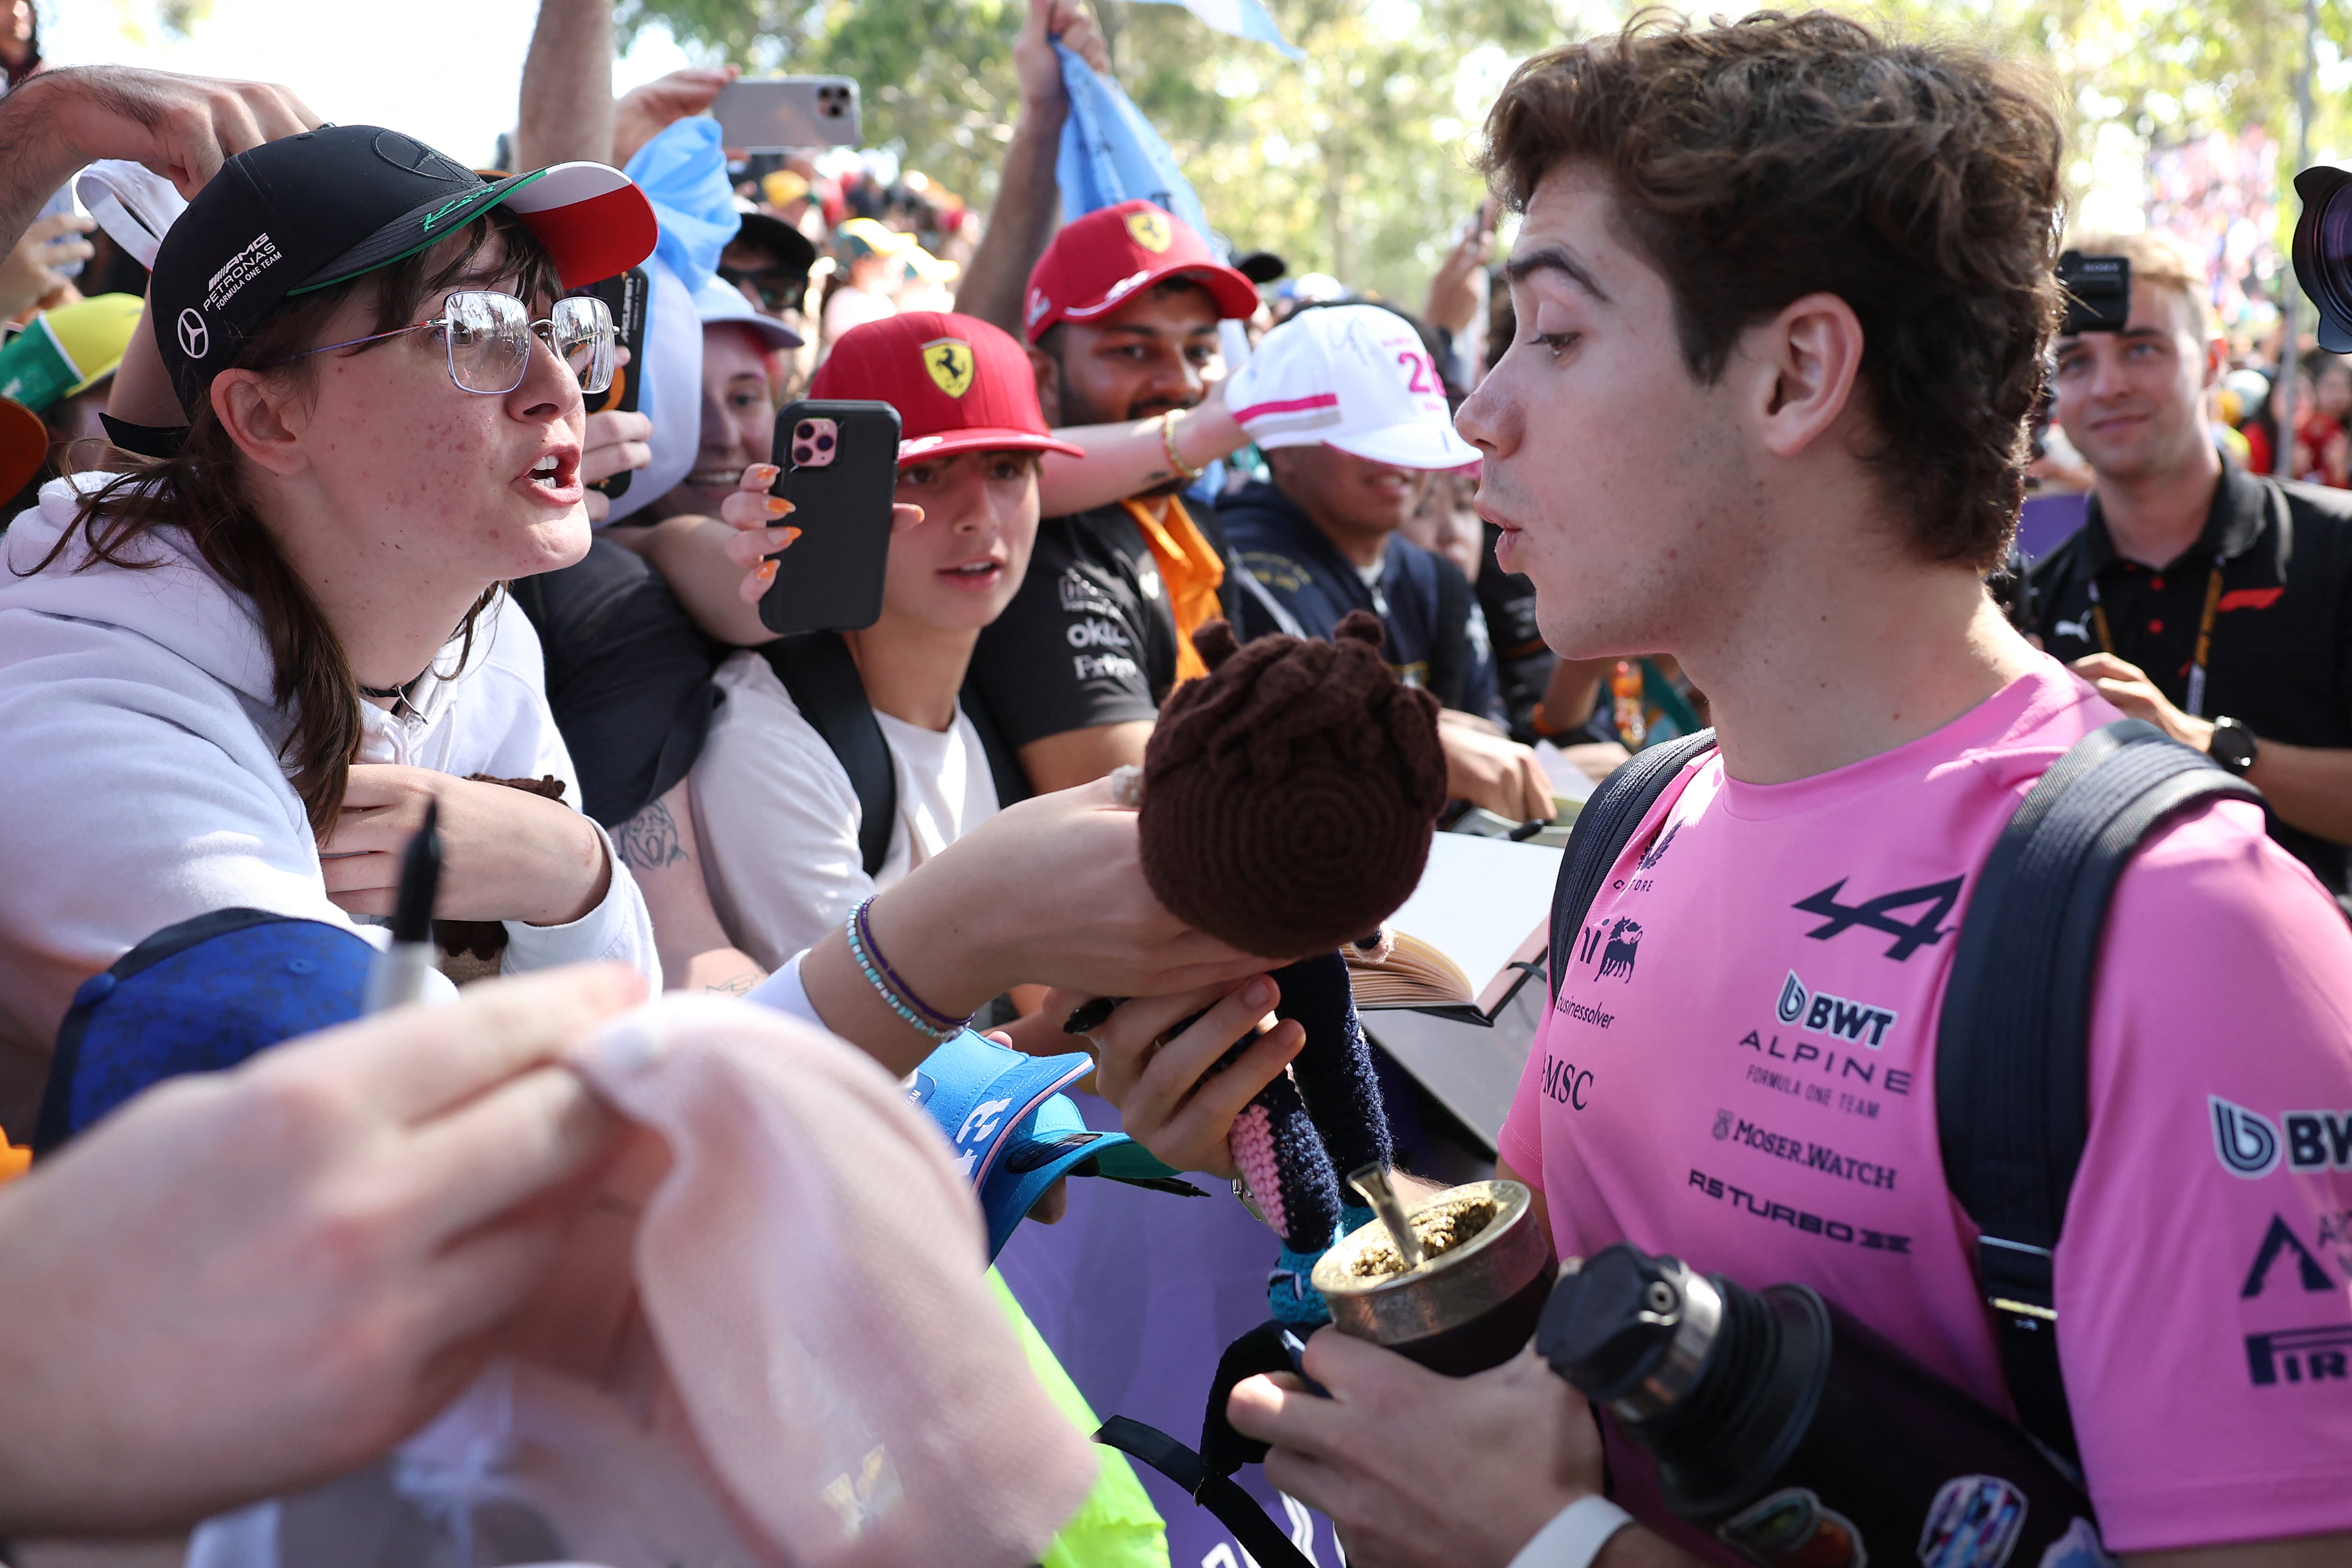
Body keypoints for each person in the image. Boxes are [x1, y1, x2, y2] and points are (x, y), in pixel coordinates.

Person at [1059, 15, 2352, 1567]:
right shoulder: (1642, 822)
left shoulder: (2192, 936)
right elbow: (1541, 1331)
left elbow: (1540, 1509)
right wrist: (1264, 1144)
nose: (1478, 421)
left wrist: (1560, 1551)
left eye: (1552, 334)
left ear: (1797, 371)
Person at [0, 126, 667, 1132]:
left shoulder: (480, 638)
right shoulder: (88, 723)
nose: (559, 385)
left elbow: (627, 1047)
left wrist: (576, 872)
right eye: (474, 330)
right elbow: (431, 1136)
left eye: (556, 327)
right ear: (268, 419)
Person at [692, 310, 1078, 968]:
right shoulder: (769, 742)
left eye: (1008, 468)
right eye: (923, 475)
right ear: (835, 503)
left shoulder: (971, 711)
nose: (979, 515)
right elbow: (873, 1049)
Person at [2034, 229, 2352, 908]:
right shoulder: (2033, 598)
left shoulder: (2335, 546)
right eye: (2076, 360)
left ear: (2210, 362)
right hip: (2099, 995)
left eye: (2141, 349)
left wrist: (2198, 740)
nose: (2109, 385)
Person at [962, 198, 1263, 792]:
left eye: (1200, 351)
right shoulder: (1031, 539)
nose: (1179, 381)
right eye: (1132, 350)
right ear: (1042, 376)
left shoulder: (1195, 520)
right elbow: (1135, 806)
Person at [1220, 301, 1556, 821]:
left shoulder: (1435, 579)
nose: (1397, 462)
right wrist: (1420, 740)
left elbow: (1484, 737)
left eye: (1408, 439)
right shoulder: (1240, 566)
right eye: (1365, 439)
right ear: (1282, 446)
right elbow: (1281, 747)